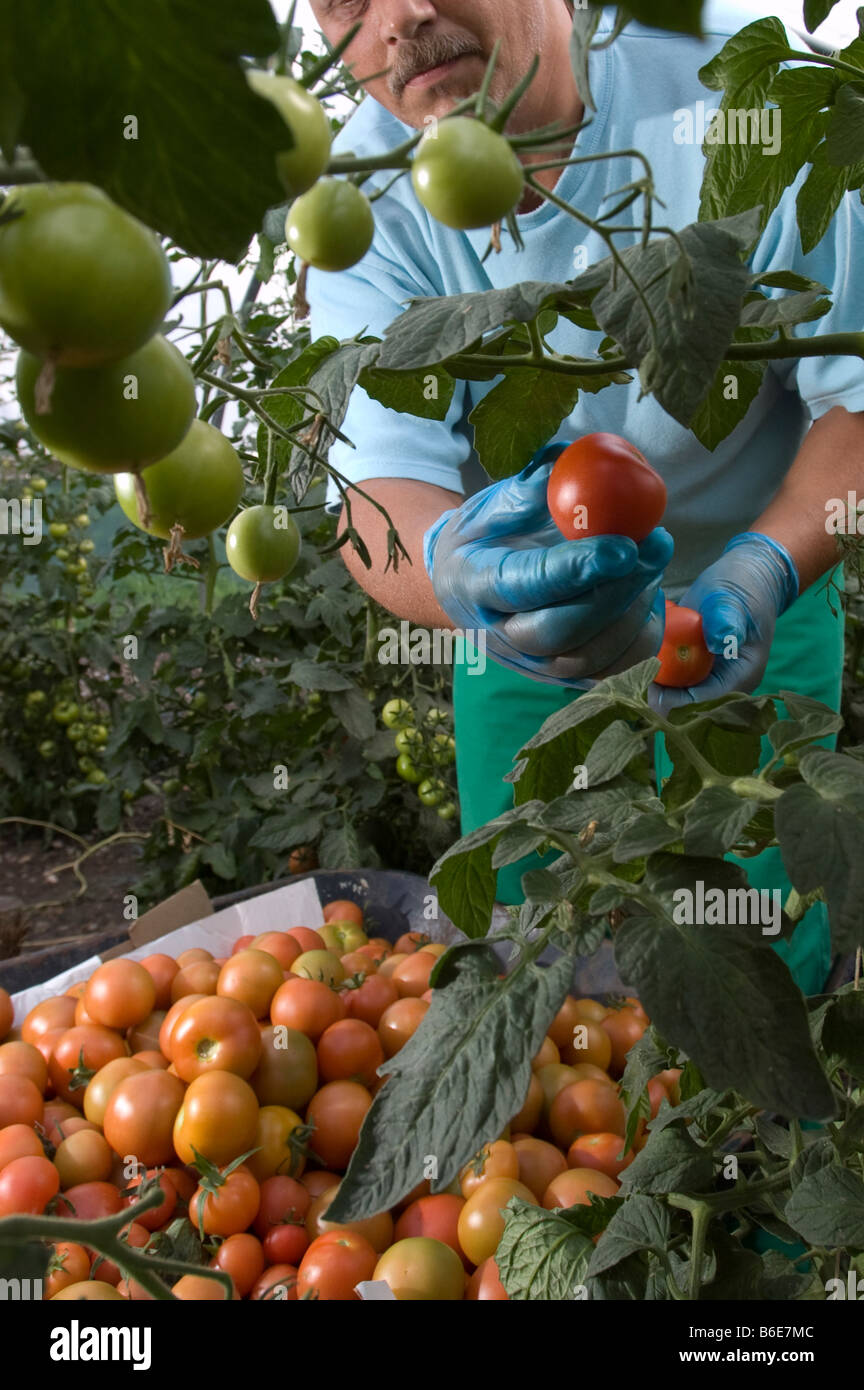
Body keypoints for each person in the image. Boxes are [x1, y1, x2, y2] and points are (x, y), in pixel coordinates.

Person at [305, 0, 864, 996]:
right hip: (527, 626)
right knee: (540, 968)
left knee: (763, 953)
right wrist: (462, 574)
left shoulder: (743, 89)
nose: (404, 17)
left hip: (771, 580)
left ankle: (762, 1146)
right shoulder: (362, 197)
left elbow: (856, 399)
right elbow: (378, 484)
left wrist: (764, 568)